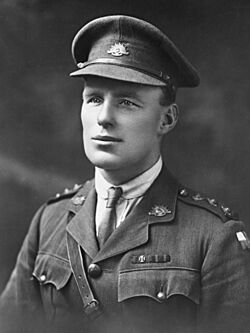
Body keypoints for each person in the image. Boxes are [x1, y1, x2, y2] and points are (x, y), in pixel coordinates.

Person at [0, 15, 250, 333]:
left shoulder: (213, 236)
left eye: (127, 102)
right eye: (93, 99)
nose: (104, 117)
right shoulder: (49, 220)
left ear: (167, 119)